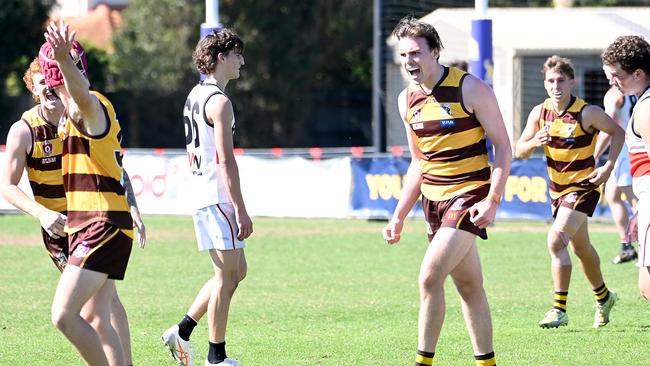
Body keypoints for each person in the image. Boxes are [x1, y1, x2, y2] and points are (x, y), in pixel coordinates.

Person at [382, 17, 511, 366]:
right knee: (469, 288)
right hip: (433, 203)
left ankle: (423, 362)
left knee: (429, 277)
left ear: (435, 52)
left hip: (469, 196)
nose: (409, 61)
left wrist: (493, 198)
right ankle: (488, 362)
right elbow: (418, 163)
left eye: (416, 53)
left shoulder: (471, 88)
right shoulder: (405, 99)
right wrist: (398, 215)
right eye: (404, 54)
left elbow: (503, 146)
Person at [0, 57, 146, 365]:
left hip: (94, 222)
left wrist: (131, 205)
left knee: (96, 307)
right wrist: (41, 213)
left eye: (54, 81)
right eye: (42, 83)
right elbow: (7, 187)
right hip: (60, 232)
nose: (50, 88)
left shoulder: (80, 114)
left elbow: (113, 163)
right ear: (33, 89)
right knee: (93, 308)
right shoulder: (24, 130)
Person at [39, 20, 140, 365]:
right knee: (98, 318)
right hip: (96, 224)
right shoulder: (70, 115)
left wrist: (64, 60)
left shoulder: (90, 104)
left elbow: (79, 94)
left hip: (102, 224)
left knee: (63, 315)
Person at [161, 27, 251, 366]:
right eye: (237, 55)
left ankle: (182, 331)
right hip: (216, 195)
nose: (241, 61)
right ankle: (216, 358)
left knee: (236, 272)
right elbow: (225, 161)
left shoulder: (195, 95)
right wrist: (241, 210)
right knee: (227, 277)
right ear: (219, 58)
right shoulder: (220, 102)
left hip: (202, 193)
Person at [515, 55, 623, 329]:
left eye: (561, 80)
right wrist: (533, 143)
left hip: (584, 187)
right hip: (558, 191)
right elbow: (519, 150)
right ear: (544, 83)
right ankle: (604, 297)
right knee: (581, 247)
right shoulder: (539, 113)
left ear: (572, 81)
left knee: (556, 241)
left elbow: (618, 132)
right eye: (550, 81)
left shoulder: (587, 112)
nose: (555, 85)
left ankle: (559, 309)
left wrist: (608, 166)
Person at [602, 35, 650, 300]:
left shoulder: (646, 108)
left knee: (647, 286)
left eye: (616, 74)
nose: (612, 80)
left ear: (638, 73)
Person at [594, 80, 638, 264]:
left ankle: (646, 249)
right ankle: (627, 246)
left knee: (637, 203)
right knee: (612, 195)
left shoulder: (615, 94)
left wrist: (594, 155)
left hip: (627, 151)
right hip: (629, 150)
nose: (609, 76)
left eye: (610, 70)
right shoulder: (638, 90)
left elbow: (608, 127)